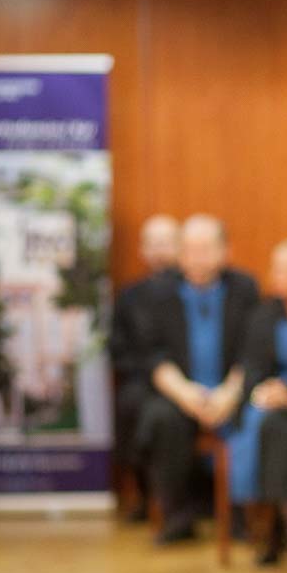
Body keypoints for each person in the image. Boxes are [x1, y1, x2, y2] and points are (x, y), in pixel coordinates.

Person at [136, 214, 259, 543]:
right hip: (180, 391)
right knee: (161, 419)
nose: (197, 258)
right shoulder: (159, 292)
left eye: (206, 249)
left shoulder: (244, 288)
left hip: (231, 388)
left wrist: (229, 393)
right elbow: (153, 355)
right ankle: (177, 517)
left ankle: (238, 516)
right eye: (189, 250)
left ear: (225, 251)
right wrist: (186, 394)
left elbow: (253, 350)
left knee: (250, 416)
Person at [228, 238, 287, 565]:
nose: (276, 275)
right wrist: (269, 391)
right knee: (271, 427)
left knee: (273, 431)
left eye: (285, 269)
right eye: (275, 268)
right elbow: (252, 368)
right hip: (279, 413)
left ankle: (272, 536)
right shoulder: (263, 315)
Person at [109, 214, 181, 519]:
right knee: (130, 402)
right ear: (142, 250)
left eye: (166, 242)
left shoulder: (189, 290)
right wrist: (150, 371)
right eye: (153, 243)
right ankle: (143, 492)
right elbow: (117, 348)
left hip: (182, 377)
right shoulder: (130, 295)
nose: (160, 250)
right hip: (142, 378)